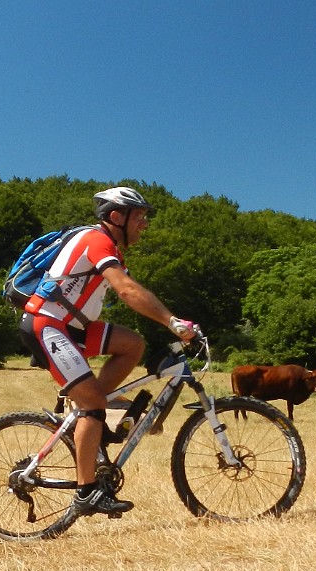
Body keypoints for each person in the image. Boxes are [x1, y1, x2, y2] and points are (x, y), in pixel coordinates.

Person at [19, 186, 196, 517]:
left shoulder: (110, 248)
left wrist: (170, 323)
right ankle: (86, 493)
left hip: (73, 326)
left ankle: (90, 422)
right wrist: (174, 323)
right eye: (140, 216)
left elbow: (138, 294)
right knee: (93, 403)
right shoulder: (95, 241)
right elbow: (127, 291)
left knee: (133, 345)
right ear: (116, 216)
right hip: (48, 324)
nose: (145, 223)